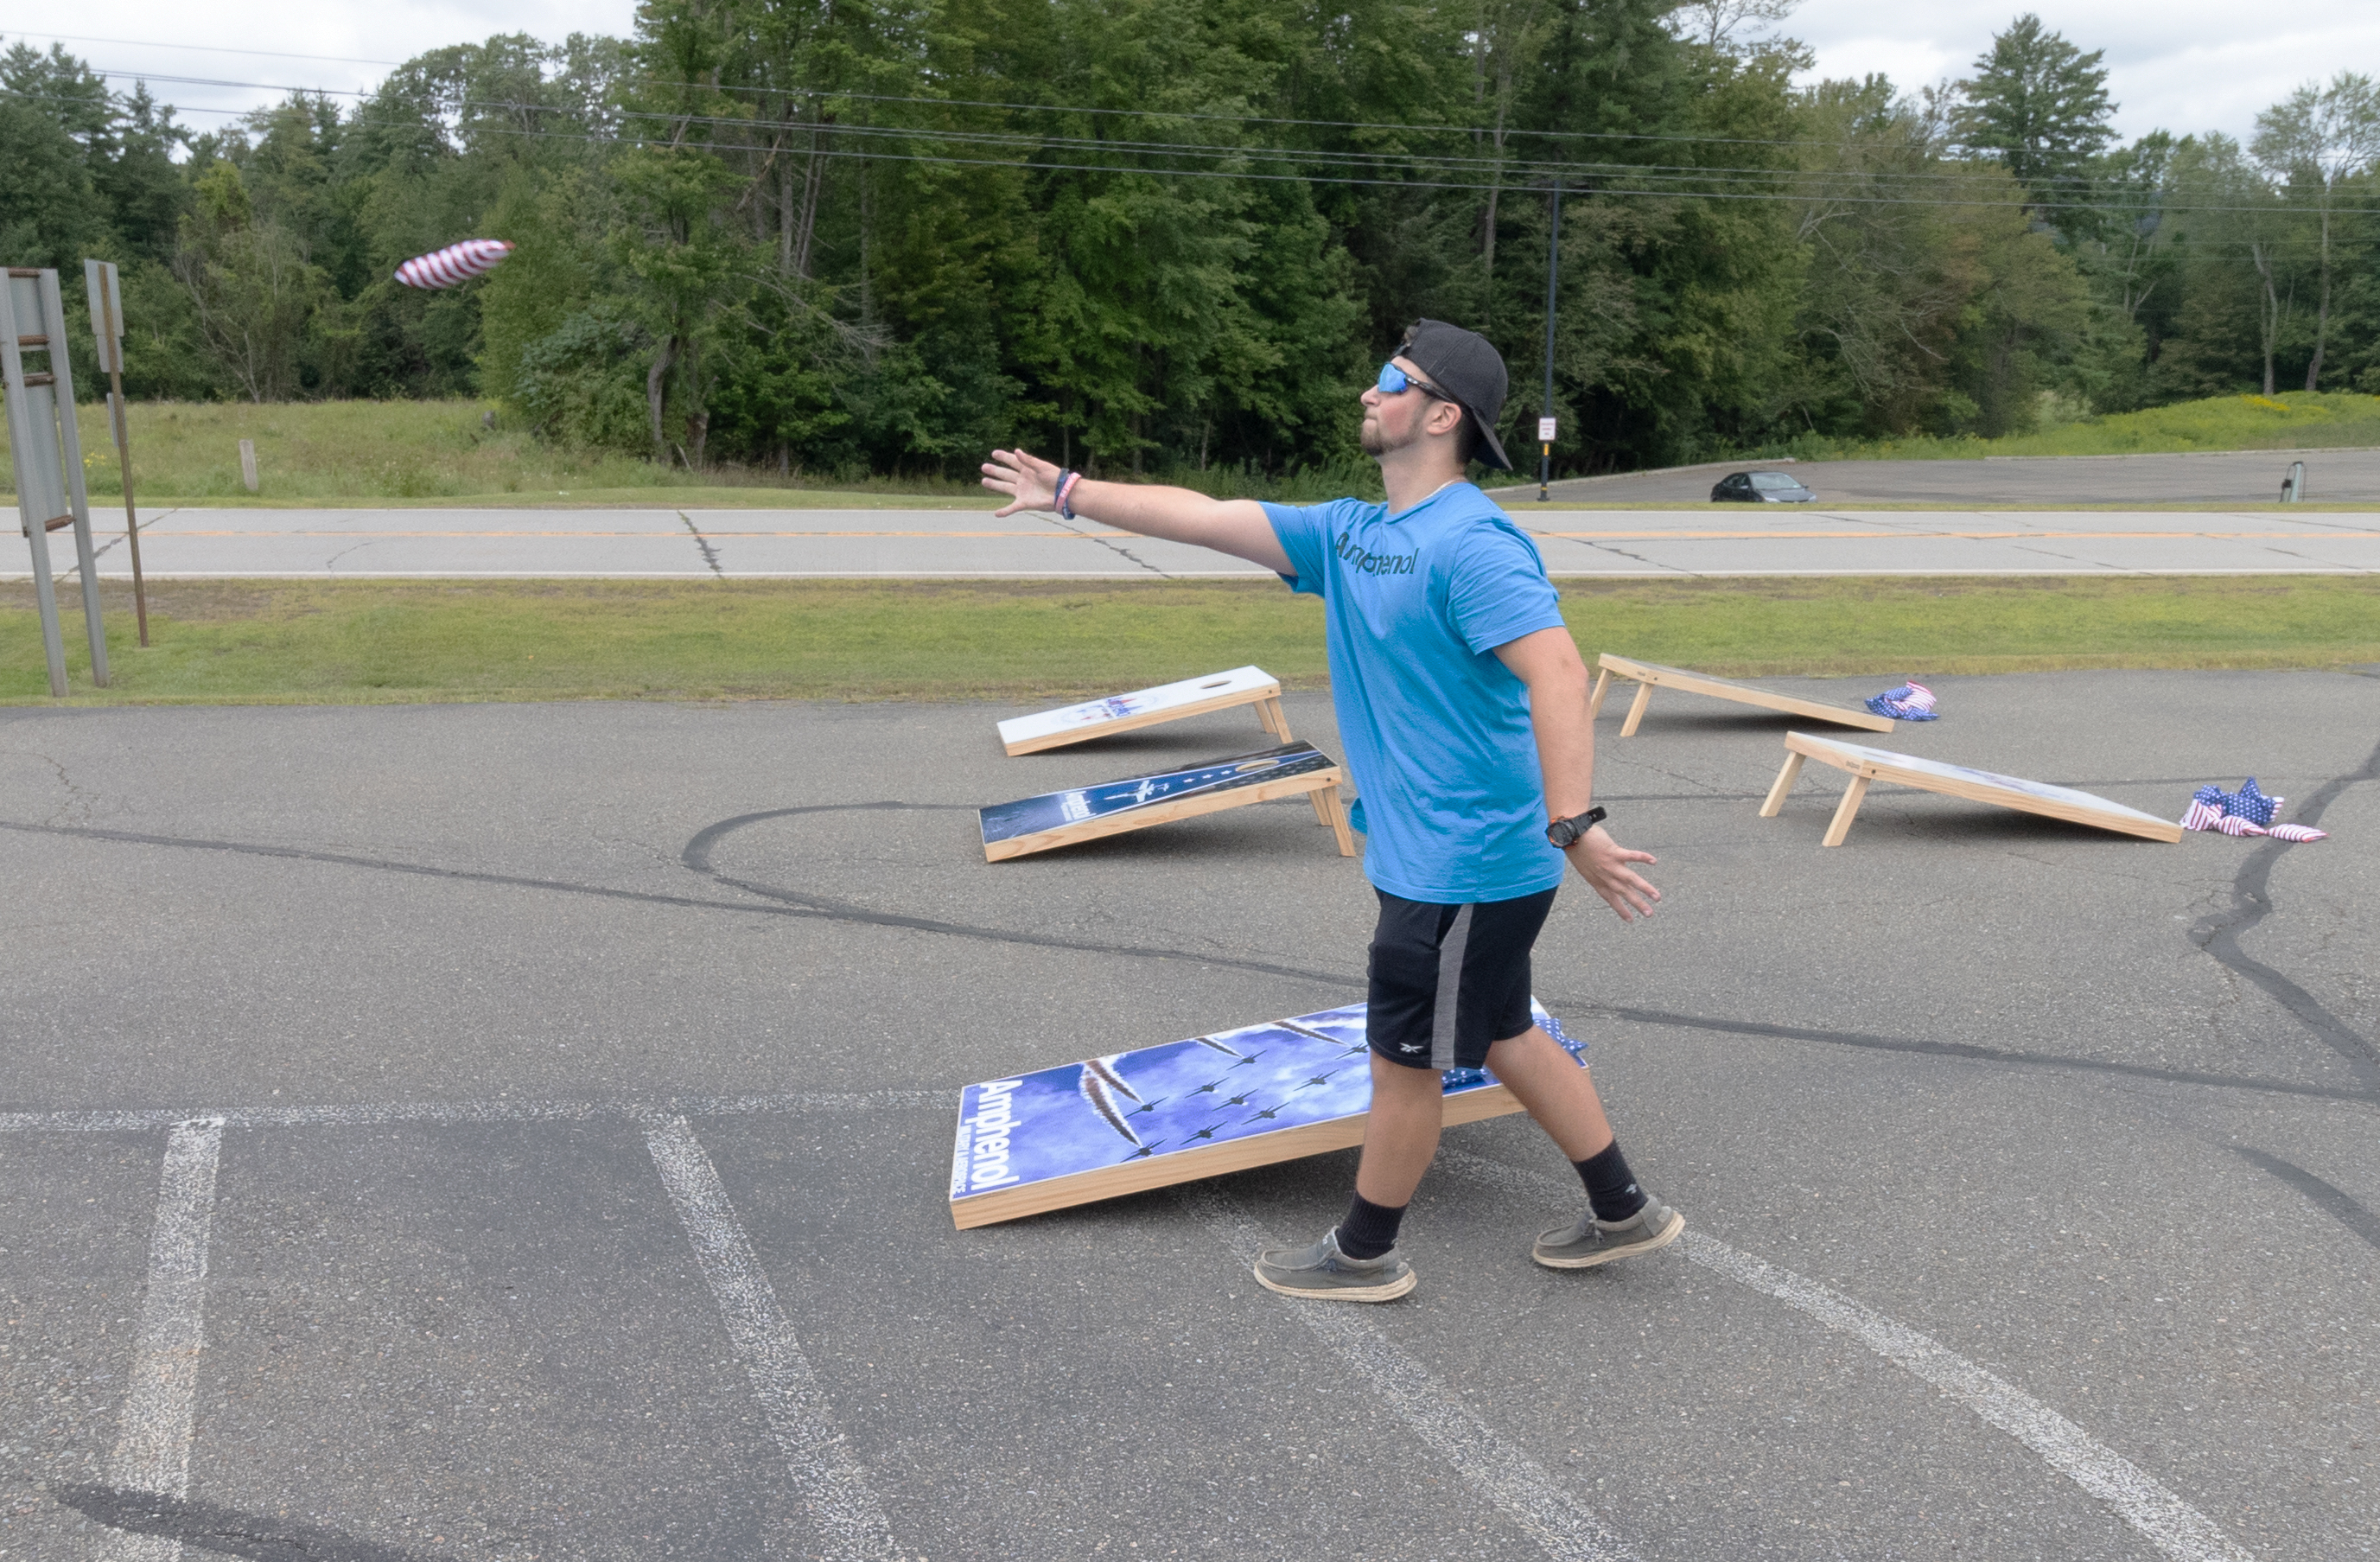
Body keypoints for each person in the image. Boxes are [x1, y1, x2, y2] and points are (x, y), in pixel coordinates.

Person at [980, 320, 1682, 1303]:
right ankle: (1623, 1208)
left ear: (1441, 415)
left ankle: (1365, 1251)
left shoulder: (1474, 542)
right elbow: (1202, 515)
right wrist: (1068, 493)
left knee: (1404, 1061)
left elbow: (1559, 675)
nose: (1369, 391)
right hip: (1442, 858)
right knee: (1502, 1027)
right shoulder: (1356, 533)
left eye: (1391, 380)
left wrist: (1575, 824)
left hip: (1465, 862)